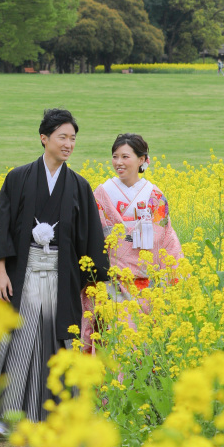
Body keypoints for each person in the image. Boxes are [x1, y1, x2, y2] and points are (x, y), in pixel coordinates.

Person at [0, 108, 109, 436]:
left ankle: (55, 416)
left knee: (56, 342)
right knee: (15, 339)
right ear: (44, 138)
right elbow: (1, 227)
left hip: (61, 278)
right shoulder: (18, 178)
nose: (68, 144)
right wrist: (0, 272)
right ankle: (4, 418)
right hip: (21, 274)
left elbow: (90, 239)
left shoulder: (79, 186)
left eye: (73, 138)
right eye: (62, 137)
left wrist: (93, 283)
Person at [82, 133, 183, 345]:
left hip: (145, 282)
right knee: (114, 340)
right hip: (111, 280)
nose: (118, 162)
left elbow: (165, 237)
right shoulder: (102, 192)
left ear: (142, 160)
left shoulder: (154, 195)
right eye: (115, 156)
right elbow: (92, 234)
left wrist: (175, 271)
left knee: (143, 341)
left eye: (125, 157)